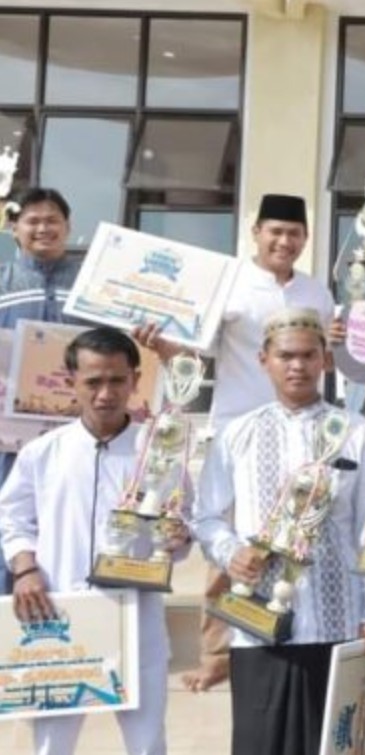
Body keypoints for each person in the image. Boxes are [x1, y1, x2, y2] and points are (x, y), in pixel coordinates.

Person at [137, 192, 336, 692]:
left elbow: (328, 358)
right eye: (275, 231)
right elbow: (191, 350)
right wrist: (160, 345)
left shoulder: (318, 292)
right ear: (257, 232)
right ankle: (216, 654)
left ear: (305, 239)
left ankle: (297, 626)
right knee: (224, 540)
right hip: (237, 429)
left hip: (304, 429)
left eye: (294, 233)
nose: (284, 241)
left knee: (300, 525)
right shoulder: (229, 284)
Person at [192, 309, 365, 755]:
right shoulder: (236, 433)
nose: (296, 366)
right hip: (258, 624)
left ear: (325, 360)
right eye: (285, 356)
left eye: (307, 355)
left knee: (336, 745)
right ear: (264, 360)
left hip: (336, 620)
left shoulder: (357, 433)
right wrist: (229, 552)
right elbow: (205, 516)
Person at [0, 328, 192, 755]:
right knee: (51, 744)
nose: (105, 393)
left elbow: (180, 536)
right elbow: (11, 518)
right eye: (92, 381)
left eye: (116, 380)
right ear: (72, 382)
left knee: (146, 744)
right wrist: (25, 568)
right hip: (59, 617)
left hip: (136, 616)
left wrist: (177, 538)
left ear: (135, 380)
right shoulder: (44, 452)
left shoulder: (158, 452)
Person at [0, 187, 82, 592]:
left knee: (70, 523)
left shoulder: (91, 284)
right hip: (8, 440)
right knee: (9, 523)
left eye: (53, 220)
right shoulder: (3, 280)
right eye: (32, 220)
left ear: (68, 227)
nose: (43, 228)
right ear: (14, 228)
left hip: (78, 433)